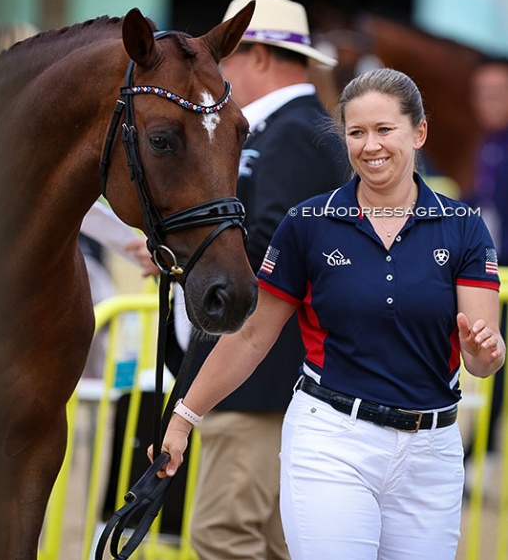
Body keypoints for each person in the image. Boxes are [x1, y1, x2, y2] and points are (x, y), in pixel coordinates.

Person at [153, 68, 505, 560]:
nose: (370, 145)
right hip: (332, 440)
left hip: (432, 451)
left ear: (418, 132)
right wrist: (182, 419)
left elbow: (484, 358)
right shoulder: (307, 224)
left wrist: (484, 351)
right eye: (356, 132)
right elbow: (252, 334)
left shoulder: (464, 226)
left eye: (385, 130)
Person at [184, 0, 350, 560]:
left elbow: (275, 248)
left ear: (257, 57)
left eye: (227, 54)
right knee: (277, 542)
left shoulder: (290, 133)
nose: (220, 70)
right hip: (273, 376)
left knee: (225, 536)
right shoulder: (293, 129)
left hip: (260, 379)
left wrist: (191, 260)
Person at [462, 56, 508, 476]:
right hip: (493, 276)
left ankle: (484, 453)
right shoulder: (486, 142)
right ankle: (481, 452)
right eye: (481, 93)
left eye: (497, 93)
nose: (487, 102)